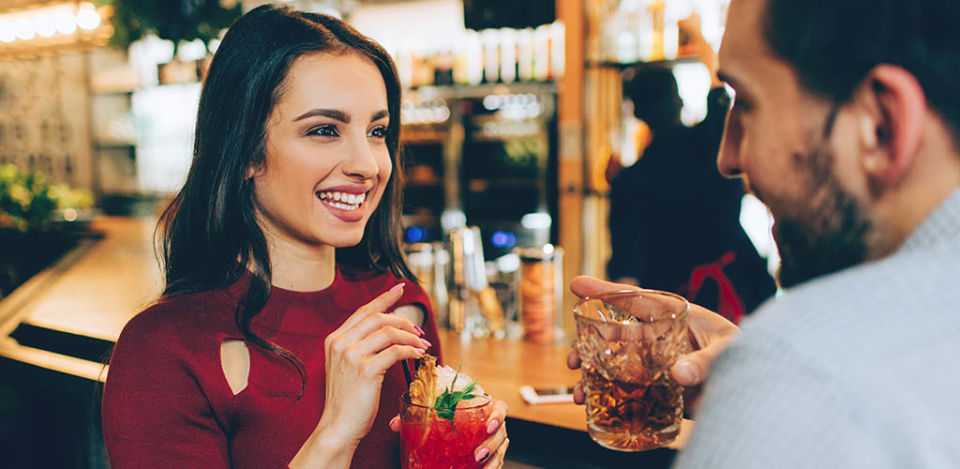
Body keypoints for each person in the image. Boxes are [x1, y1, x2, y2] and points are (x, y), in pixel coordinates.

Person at [101, 6, 508, 468]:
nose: (367, 164)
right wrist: (336, 432)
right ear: (246, 153)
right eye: (323, 130)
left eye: (377, 131)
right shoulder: (164, 349)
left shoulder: (400, 307)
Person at [571, 0, 960, 467]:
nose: (728, 159)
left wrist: (768, 374)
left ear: (880, 125)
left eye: (748, 103)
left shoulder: (800, 373)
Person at [607, 17, 775, 323]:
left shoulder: (630, 182)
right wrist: (699, 37)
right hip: (746, 296)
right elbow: (720, 88)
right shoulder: (714, 144)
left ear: (637, 113)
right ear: (681, 100)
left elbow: (626, 277)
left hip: (676, 318)